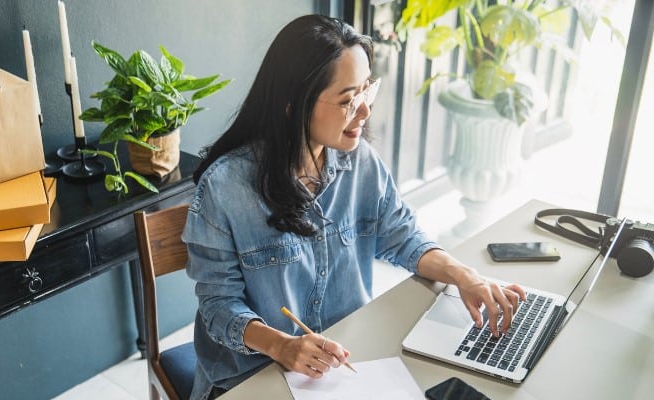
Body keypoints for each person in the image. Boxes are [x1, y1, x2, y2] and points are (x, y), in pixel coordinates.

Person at [181, 14, 527, 400]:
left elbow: (402, 237)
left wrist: (466, 277)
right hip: (252, 375)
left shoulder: (360, 161)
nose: (364, 112)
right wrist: (283, 346)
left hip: (346, 364)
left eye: (367, 92)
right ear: (293, 105)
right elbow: (218, 306)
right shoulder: (225, 187)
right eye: (348, 100)